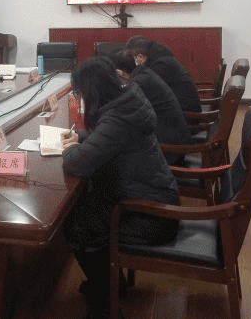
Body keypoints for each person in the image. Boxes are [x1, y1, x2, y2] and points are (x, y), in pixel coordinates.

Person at [60, 57, 180, 319]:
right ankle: (112, 284)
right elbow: (109, 139)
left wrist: (70, 148)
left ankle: (105, 304)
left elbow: (77, 163)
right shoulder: (127, 100)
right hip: (154, 195)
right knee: (83, 209)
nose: (81, 99)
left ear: (93, 91)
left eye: (80, 93)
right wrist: (81, 137)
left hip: (151, 216)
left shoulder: (117, 119)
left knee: (78, 224)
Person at [108, 48, 193, 165]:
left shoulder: (138, 82)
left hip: (170, 151)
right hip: (175, 141)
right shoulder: (144, 73)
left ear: (120, 72)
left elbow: (120, 112)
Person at [126, 35, 202, 114]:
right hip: (183, 109)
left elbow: (142, 92)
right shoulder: (161, 58)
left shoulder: (160, 65)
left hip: (187, 114)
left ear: (140, 57)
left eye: (132, 59)